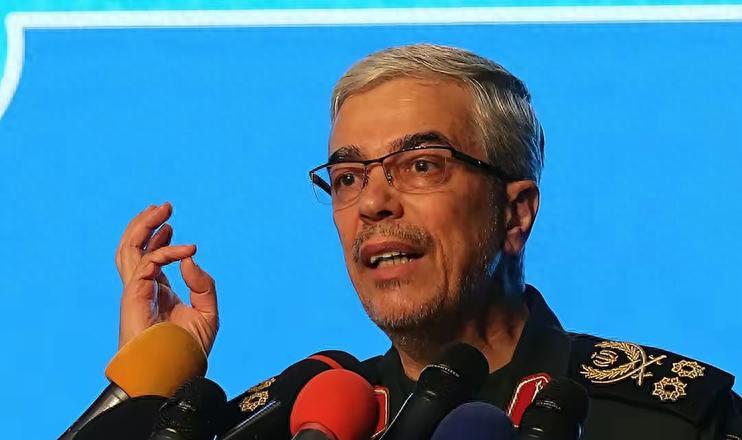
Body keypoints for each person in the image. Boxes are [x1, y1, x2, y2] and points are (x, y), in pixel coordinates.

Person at [114, 44, 741, 438]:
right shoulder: (287, 421)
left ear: (515, 213)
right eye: (348, 177)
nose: (373, 203)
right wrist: (147, 385)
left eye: (420, 165)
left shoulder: (669, 420)